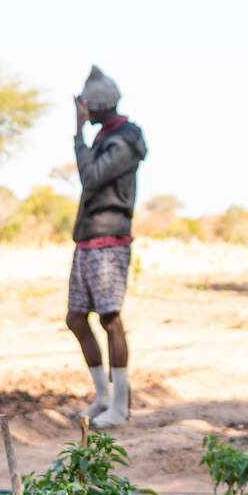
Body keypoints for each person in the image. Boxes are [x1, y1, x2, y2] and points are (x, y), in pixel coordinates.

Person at [68, 65, 147, 429]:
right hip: (89, 238)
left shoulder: (123, 141)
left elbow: (91, 177)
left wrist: (78, 133)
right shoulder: (110, 138)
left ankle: (120, 405)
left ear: (98, 107)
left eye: (86, 107)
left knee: (110, 319)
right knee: (76, 318)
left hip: (109, 240)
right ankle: (103, 398)